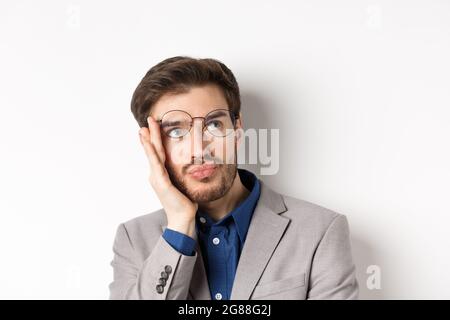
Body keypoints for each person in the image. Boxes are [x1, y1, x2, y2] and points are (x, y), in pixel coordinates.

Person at [109, 56, 358, 300]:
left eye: (214, 125)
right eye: (176, 131)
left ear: (237, 131)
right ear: (152, 145)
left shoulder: (320, 231)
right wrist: (179, 226)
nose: (199, 151)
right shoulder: (133, 240)